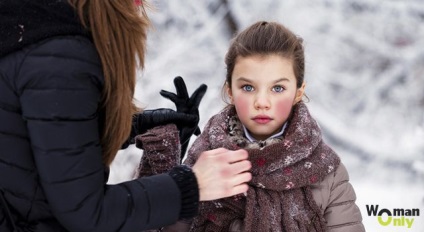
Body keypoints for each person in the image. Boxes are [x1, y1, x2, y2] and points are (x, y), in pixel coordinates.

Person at [0, 1, 252, 231]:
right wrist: (192, 186)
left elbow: (41, 141)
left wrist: (134, 127)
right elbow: (86, 212)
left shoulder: (38, 27)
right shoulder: (59, 55)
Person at [180, 21, 365, 231]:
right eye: (248, 87)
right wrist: (168, 161)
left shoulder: (326, 171)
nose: (262, 102)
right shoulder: (205, 161)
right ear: (230, 90)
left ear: (298, 92)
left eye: (277, 88)